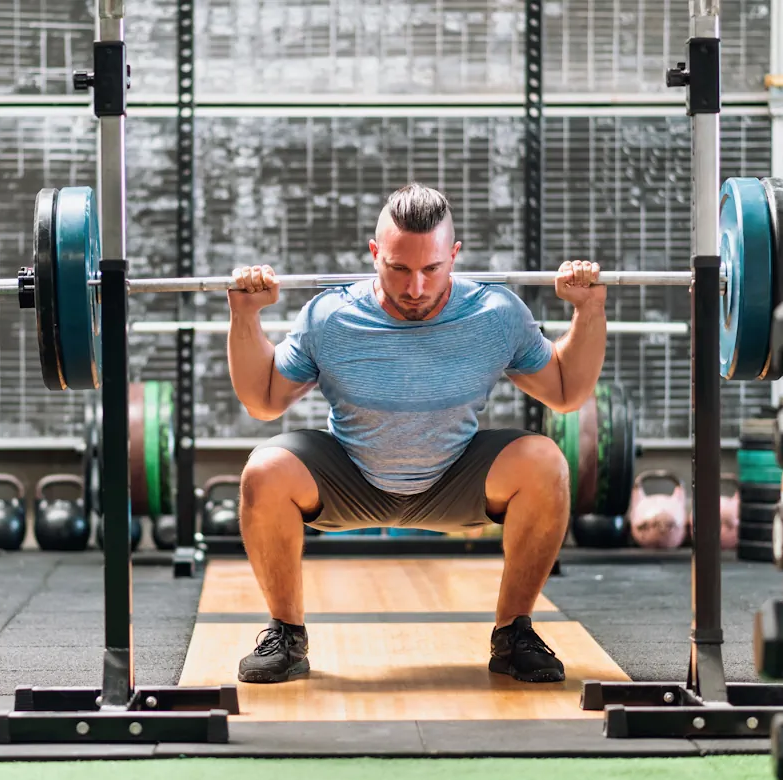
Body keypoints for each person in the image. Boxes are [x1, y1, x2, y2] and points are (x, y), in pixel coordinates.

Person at [224, 184, 608, 684]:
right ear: (374, 253)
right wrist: (246, 316)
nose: (416, 289)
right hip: (350, 477)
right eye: (399, 269)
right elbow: (263, 400)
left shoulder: (495, 314)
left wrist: (589, 311)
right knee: (266, 470)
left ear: (454, 255)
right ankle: (286, 637)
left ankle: (514, 635)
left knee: (545, 461)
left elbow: (564, 391)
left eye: (432, 269)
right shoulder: (330, 315)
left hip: (457, 478)